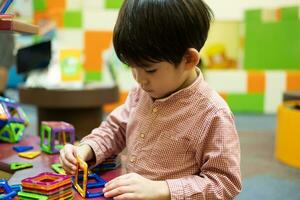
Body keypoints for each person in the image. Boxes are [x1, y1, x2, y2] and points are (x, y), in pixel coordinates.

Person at [59, 0, 242, 199]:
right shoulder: (142, 91)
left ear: (188, 59)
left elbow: (225, 183)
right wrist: (87, 149)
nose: (139, 79)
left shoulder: (213, 114)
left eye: (149, 70)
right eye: (132, 67)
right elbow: (116, 128)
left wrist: (162, 189)